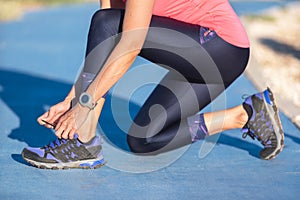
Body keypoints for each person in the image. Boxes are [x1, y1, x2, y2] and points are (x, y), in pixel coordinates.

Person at [22, 0, 284, 169]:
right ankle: (246, 115)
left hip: (223, 48)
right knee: (144, 139)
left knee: (107, 22)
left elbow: (129, 43)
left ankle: (82, 143)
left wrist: (84, 104)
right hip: (200, 55)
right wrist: (73, 100)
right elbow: (105, 46)